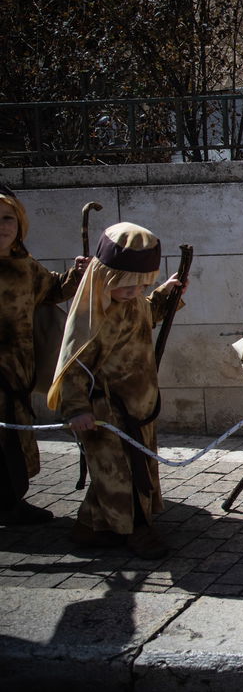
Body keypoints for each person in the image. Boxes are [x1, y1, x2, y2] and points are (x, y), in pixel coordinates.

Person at [50, 222, 184, 559]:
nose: (136, 291)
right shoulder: (89, 318)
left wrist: (164, 296)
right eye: (127, 284)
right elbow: (73, 367)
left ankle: (90, 527)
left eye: (143, 284)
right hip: (106, 411)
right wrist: (77, 408)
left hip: (139, 407)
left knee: (123, 470)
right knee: (118, 473)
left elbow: (146, 315)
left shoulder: (134, 300)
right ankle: (137, 530)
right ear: (106, 276)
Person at [0, 185, 85, 526]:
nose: (3, 226)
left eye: (8, 218)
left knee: (15, 449)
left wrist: (77, 274)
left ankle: (10, 505)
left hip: (16, 377)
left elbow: (54, 290)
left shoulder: (26, 267)